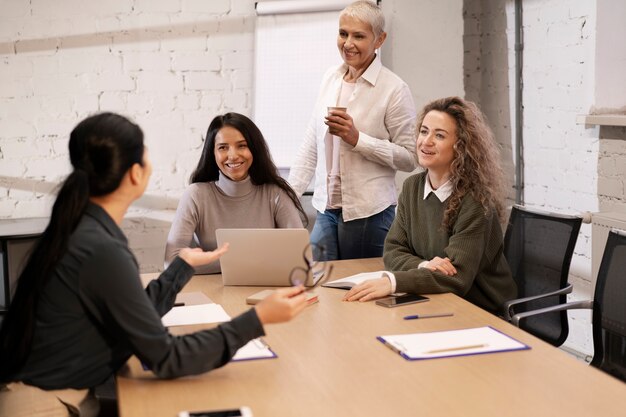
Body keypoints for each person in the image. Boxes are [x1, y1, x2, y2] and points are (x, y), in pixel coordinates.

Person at [0, 113, 308, 417]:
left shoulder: (87, 230)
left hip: (62, 392)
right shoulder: (102, 249)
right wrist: (256, 320)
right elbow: (167, 358)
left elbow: (136, 313)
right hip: (47, 405)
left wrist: (181, 266)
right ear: (135, 174)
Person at [343, 97, 517, 314]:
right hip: (437, 300)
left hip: (481, 309)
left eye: (440, 135)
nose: (426, 141)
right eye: (424, 131)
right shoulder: (412, 187)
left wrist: (393, 282)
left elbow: (457, 278)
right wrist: (424, 265)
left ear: (461, 146)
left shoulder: (475, 200)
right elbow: (392, 251)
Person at [288, 0, 418, 261]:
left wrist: (357, 139)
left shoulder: (394, 89)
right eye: (343, 33)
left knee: (360, 292)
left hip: (368, 213)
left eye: (358, 36)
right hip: (326, 209)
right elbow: (311, 143)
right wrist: (288, 195)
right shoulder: (330, 78)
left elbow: (410, 158)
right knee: (321, 286)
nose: (347, 43)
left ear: (379, 40)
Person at [165, 112, 307, 274]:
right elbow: (172, 262)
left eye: (242, 145)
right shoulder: (196, 194)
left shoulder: (275, 193)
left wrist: (211, 260)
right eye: (223, 147)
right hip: (213, 291)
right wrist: (255, 261)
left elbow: (300, 257)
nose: (232, 156)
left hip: (264, 289)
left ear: (254, 149)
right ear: (213, 153)